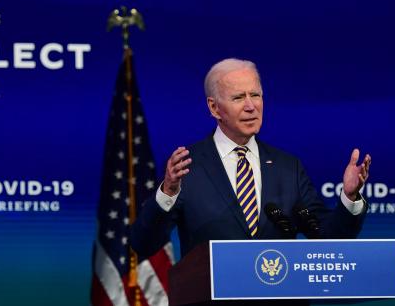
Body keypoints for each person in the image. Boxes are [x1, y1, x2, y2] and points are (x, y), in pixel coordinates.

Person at [130, 58, 371, 259]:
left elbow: (327, 239)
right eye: (238, 98)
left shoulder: (288, 168)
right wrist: (168, 193)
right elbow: (143, 244)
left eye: (255, 95)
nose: (251, 106)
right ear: (214, 108)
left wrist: (349, 198)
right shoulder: (188, 167)